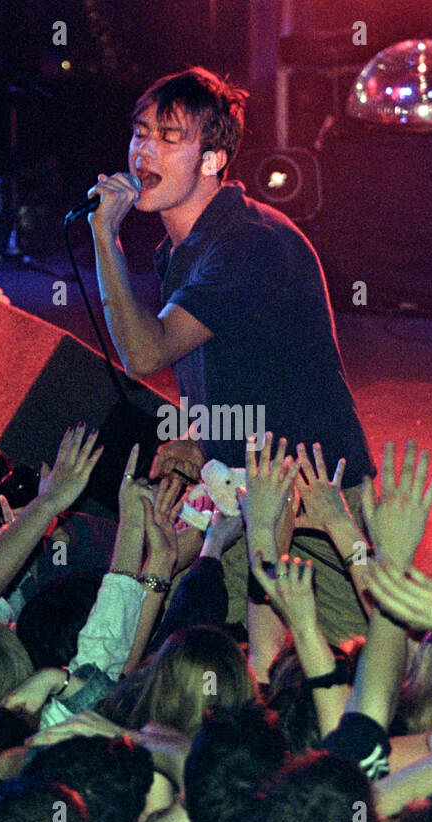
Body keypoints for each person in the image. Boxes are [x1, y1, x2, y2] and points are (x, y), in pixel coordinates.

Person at [86, 67, 375, 639]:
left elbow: (145, 354)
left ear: (214, 158)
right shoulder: (186, 246)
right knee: (189, 645)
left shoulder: (248, 244)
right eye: (141, 132)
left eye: (170, 138)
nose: (145, 150)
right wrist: (199, 436)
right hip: (253, 497)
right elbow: (241, 365)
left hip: (320, 508)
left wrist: (105, 238)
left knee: (373, 663)